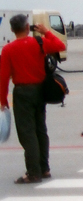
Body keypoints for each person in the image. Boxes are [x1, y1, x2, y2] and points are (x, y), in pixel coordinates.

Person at [0, 15, 65, 183]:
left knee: (27, 133)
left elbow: (3, 77)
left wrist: (3, 100)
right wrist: (46, 32)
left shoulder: (8, 49)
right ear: (28, 27)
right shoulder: (38, 43)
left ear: (13, 30)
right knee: (40, 130)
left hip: (22, 92)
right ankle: (44, 168)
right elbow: (60, 45)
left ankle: (33, 172)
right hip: (40, 90)